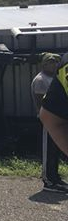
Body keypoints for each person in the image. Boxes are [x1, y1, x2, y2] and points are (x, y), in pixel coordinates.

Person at [38, 53, 68, 193]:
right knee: (49, 151)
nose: (53, 64)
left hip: (59, 116)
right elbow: (42, 102)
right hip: (52, 118)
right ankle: (49, 180)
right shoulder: (40, 79)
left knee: (56, 152)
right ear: (43, 64)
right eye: (50, 62)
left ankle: (56, 179)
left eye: (55, 61)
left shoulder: (55, 76)